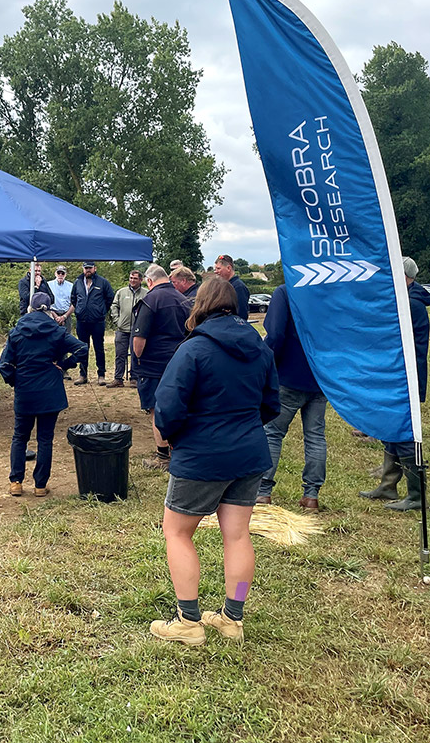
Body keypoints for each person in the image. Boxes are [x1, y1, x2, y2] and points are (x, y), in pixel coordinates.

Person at [149, 276, 279, 646]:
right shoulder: (260, 348)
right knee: (237, 535)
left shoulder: (193, 350)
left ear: (200, 305)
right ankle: (231, 619)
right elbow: (271, 403)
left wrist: (174, 438)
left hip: (202, 455)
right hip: (250, 453)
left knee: (177, 532)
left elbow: (168, 407)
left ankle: (188, 622)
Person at [361, 257, 430, 509]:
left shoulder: (411, 305)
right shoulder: (404, 301)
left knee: (404, 434)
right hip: (395, 376)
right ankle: (388, 485)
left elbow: (402, 344)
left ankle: (416, 495)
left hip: (405, 378)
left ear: (404, 276)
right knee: (391, 430)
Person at [0, 292, 87, 496]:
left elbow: (4, 365)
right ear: (48, 309)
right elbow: (82, 348)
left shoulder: (17, 331)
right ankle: (40, 485)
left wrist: (15, 380)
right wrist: (64, 365)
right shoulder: (56, 331)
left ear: (29, 308)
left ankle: (16, 482)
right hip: (50, 391)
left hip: (25, 391)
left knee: (20, 436)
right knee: (44, 439)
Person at [257, 285, 328, 512]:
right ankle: (311, 495)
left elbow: (275, 334)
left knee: (272, 434)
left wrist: (268, 365)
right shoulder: (328, 291)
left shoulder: (285, 292)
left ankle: (263, 491)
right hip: (320, 376)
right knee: (315, 436)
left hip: (287, 375)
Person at [132, 265, 192, 471]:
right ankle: (179, 450)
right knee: (178, 405)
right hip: (180, 361)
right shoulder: (184, 300)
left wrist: (137, 360)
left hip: (153, 366)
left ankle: (162, 456)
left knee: (155, 409)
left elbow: (139, 339)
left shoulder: (150, 300)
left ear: (149, 281)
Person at [70, 261, 115, 386]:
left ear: (95, 268)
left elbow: (110, 298)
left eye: (90, 268)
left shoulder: (103, 282)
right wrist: (79, 311)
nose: (87, 270)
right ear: (83, 269)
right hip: (82, 321)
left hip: (97, 321)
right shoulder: (77, 282)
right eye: (86, 268)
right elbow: (73, 298)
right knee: (83, 348)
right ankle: (83, 375)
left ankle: (101, 375)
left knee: (99, 348)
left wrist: (101, 311)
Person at [107, 269, 146, 387]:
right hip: (122, 329)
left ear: (141, 280)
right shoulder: (121, 292)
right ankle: (118, 378)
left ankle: (134, 378)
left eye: (135, 278)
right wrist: (117, 320)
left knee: (136, 354)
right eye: (131, 278)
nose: (132, 280)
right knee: (120, 354)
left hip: (138, 330)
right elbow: (114, 306)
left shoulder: (146, 293)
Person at [213, 255, 250, 320]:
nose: (215, 272)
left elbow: (241, 314)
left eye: (218, 268)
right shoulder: (223, 286)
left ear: (228, 268)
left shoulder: (238, 287)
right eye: (215, 269)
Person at [49, 266, 75, 334]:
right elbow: (46, 302)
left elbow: (74, 303)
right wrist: (55, 316)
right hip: (52, 314)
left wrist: (64, 316)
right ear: (55, 274)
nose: (60, 275)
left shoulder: (71, 286)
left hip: (66, 315)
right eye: (58, 273)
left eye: (62, 273)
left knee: (67, 338)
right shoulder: (49, 285)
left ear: (65, 274)